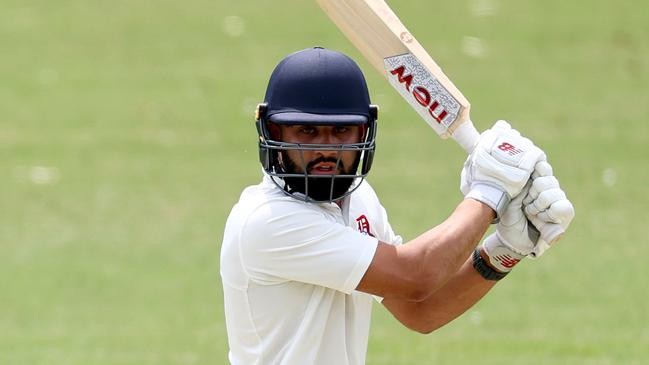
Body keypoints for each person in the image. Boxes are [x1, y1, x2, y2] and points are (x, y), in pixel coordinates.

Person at [220, 47, 574, 365]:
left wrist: (505, 250)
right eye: (307, 132)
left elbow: (420, 310)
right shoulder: (267, 222)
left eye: (341, 132)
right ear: (274, 133)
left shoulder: (358, 200)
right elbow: (415, 276)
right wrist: (489, 194)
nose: (326, 149)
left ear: (364, 132)